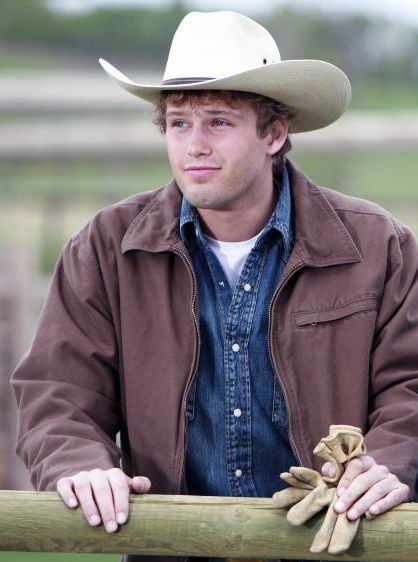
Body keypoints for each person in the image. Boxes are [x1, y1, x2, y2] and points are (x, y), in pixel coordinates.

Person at [11, 10, 418, 562]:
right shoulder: (108, 248)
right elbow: (58, 390)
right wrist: (78, 462)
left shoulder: (377, 247)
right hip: (172, 549)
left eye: (219, 123)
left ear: (274, 133)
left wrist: (392, 463)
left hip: (335, 547)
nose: (194, 145)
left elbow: (411, 383)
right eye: (179, 123)